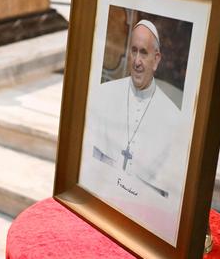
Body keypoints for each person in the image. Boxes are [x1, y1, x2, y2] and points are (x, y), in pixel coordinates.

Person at [79, 19, 187, 243]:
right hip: (103, 209)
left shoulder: (172, 116)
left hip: (145, 221)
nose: (137, 61)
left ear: (156, 59)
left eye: (144, 53)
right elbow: (89, 162)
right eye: (134, 51)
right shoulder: (104, 94)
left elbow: (167, 190)